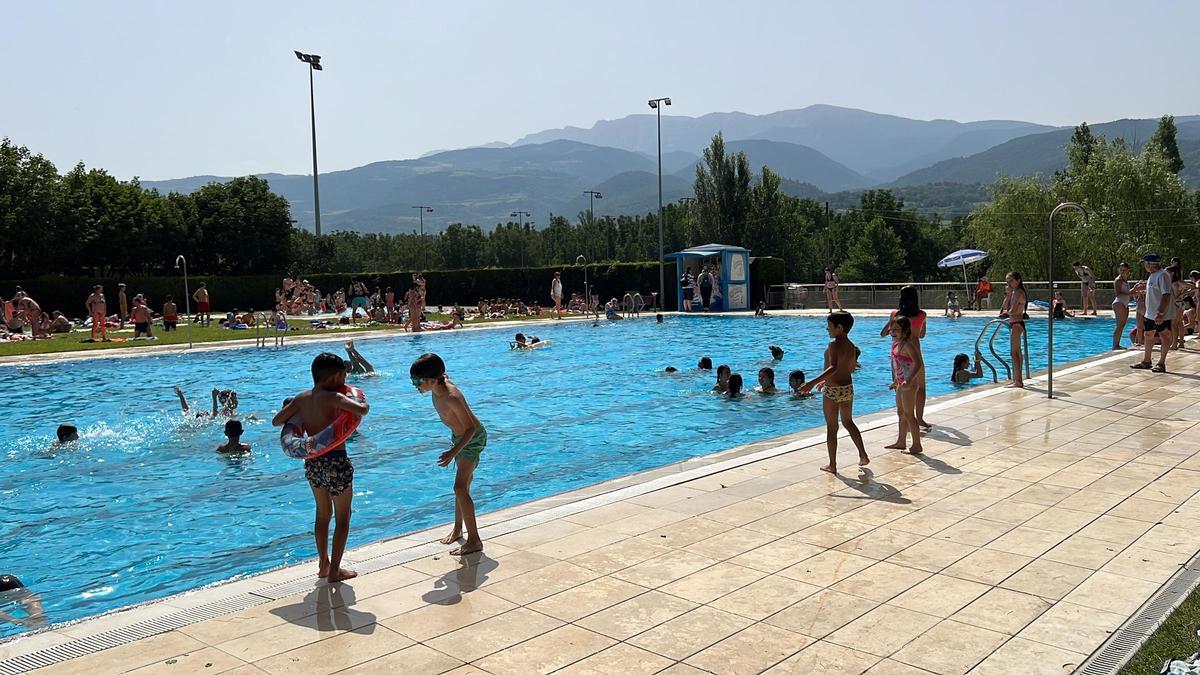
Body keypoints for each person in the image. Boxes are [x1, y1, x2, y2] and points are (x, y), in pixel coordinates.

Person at [272, 353, 370, 582]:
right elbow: (361, 410)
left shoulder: (302, 398)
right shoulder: (334, 397)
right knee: (343, 517)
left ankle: (323, 565)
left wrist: (297, 414)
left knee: (322, 513)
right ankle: (335, 570)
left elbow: (277, 421)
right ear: (335, 376)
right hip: (336, 460)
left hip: (313, 462)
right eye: (343, 375)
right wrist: (363, 403)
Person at [411, 353, 486, 556]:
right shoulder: (438, 385)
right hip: (459, 437)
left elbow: (471, 428)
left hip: (472, 440)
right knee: (462, 487)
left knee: (460, 487)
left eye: (417, 381)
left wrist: (453, 452)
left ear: (431, 380)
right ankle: (458, 529)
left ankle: (474, 540)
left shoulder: (452, 397)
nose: (415, 385)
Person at [799, 311, 868, 473]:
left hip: (833, 390)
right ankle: (863, 455)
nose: (827, 329)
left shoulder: (834, 344)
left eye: (829, 326)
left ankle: (832, 464)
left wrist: (812, 383)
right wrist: (825, 380)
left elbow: (834, 367)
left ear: (840, 327)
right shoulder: (851, 346)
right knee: (848, 422)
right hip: (847, 388)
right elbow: (849, 368)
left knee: (832, 427)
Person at [881, 285, 930, 430]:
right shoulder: (922, 315)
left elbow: (883, 334)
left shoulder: (895, 315)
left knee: (899, 385)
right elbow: (922, 335)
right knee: (920, 387)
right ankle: (919, 418)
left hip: (898, 355)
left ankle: (904, 420)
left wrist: (892, 321)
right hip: (914, 352)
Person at [886, 316, 925, 454]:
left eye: (896, 329)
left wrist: (909, 380)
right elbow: (899, 366)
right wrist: (896, 381)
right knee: (901, 412)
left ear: (905, 330)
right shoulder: (896, 344)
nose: (893, 332)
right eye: (892, 329)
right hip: (901, 383)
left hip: (909, 384)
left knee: (909, 414)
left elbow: (918, 363)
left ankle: (916, 445)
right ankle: (901, 441)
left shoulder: (908, 345)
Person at [1130, 253, 1173, 373]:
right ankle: (1146, 361)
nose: (1144, 266)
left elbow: (1166, 295)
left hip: (1161, 314)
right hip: (1150, 313)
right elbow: (1155, 291)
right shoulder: (1152, 275)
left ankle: (1161, 363)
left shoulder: (1163, 275)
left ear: (1149, 264)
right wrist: (1143, 288)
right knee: (1148, 335)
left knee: (1164, 336)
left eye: (1145, 263)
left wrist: (1160, 312)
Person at [1112, 263, 1133, 350]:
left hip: (1125, 303)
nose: (1122, 272)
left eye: (1124, 270)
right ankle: (1115, 345)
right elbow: (1118, 293)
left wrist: (1135, 291)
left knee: (1122, 324)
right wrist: (1131, 292)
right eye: (1121, 270)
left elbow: (1127, 292)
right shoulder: (1118, 280)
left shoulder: (1125, 280)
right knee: (1119, 325)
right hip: (1119, 303)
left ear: (1128, 270)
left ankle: (1117, 344)